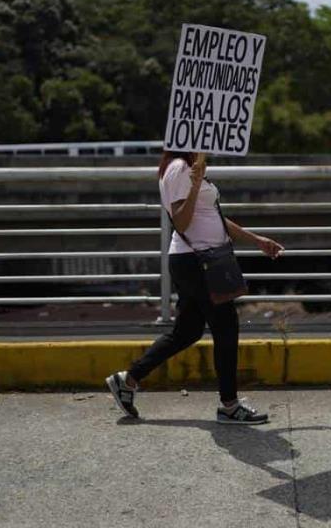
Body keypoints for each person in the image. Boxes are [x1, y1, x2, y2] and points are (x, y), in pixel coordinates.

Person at [106, 151, 284, 425]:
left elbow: (211, 217)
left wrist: (255, 240)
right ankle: (229, 405)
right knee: (226, 325)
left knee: (186, 332)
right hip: (195, 261)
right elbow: (181, 220)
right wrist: (197, 183)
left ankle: (127, 380)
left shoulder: (191, 167)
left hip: (197, 260)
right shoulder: (178, 168)